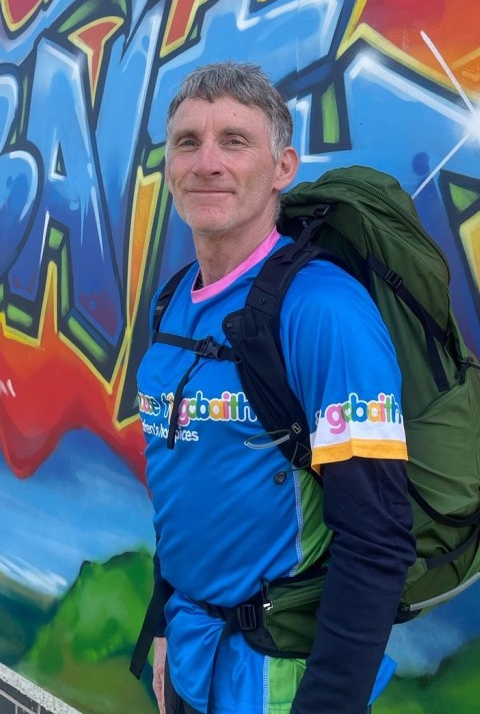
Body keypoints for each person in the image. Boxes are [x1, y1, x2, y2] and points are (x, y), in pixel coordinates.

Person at [136, 62, 416, 713]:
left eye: (233, 141)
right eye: (187, 142)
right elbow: (188, 485)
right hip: (190, 656)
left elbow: (376, 539)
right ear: (168, 166)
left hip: (276, 680)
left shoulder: (323, 311)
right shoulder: (172, 300)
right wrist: (163, 620)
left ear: (282, 167)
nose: (206, 162)